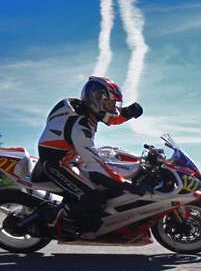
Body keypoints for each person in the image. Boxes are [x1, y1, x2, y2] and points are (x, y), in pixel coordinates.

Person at [36, 76, 145, 237]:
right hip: (57, 164)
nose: (113, 108)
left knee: (108, 173)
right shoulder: (80, 126)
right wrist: (127, 185)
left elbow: (112, 117)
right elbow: (96, 168)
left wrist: (129, 112)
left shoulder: (86, 110)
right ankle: (63, 224)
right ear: (96, 100)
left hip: (71, 158)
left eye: (114, 104)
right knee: (94, 199)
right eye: (110, 103)